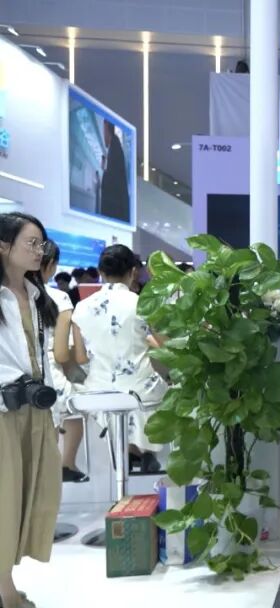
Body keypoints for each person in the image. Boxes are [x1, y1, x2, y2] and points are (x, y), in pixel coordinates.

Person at [0, 212, 61, 608]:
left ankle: (7, 584)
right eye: (31, 243)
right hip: (4, 412)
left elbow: (43, 356)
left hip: (36, 410)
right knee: (5, 500)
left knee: (33, 496)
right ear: (3, 246)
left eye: (41, 244)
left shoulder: (36, 295)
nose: (39, 251)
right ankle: (6, 593)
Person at [69, 245, 168, 473]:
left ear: (101, 272)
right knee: (155, 389)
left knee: (117, 399)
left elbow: (81, 357)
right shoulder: (141, 303)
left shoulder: (81, 308)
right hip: (140, 390)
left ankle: (126, 450)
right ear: (133, 272)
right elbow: (164, 344)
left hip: (98, 392)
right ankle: (145, 451)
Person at [38, 242, 88, 483]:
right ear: (51, 265)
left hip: (15, 376)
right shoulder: (59, 298)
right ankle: (66, 464)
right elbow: (60, 354)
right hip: (49, 374)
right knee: (74, 410)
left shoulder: (10, 293)